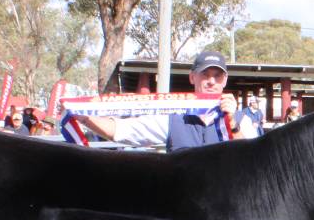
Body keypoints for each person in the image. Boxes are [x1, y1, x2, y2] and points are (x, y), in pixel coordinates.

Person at [76, 50, 238, 152]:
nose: (211, 81)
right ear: (192, 77)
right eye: (205, 74)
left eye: (217, 76)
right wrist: (83, 116)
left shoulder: (238, 119)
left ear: (224, 81)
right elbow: (120, 130)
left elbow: (252, 159)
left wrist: (233, 125)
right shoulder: (173, 118)